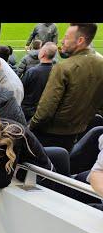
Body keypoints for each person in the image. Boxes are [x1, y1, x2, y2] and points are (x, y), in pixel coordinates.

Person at [29, 24, 103, 152]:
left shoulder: (63, 67)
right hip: (80, 132)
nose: (62, 40)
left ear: (80, 41)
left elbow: (45, 111)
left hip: (50, 134)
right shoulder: (100, 63)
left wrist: (30, 126)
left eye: (66, 37)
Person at [20, 42, 58, 121]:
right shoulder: (56, 71)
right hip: (47, 111)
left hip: (29, 111)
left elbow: (21, 89)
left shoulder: (32, 72)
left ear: (43, 53)